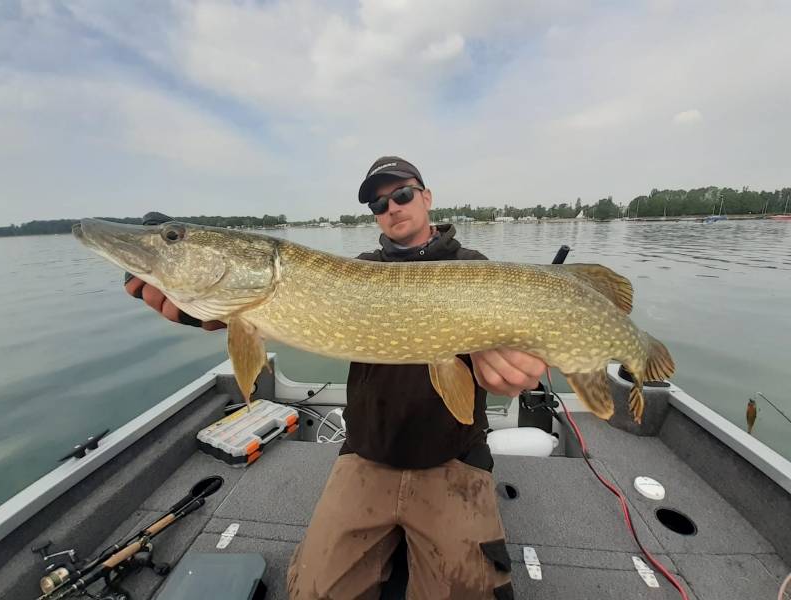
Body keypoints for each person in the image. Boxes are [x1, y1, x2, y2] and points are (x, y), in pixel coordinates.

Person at [125, 157, 547, 599]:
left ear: (426, 198)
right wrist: (205, 311)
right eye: (378, 203)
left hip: (454, 458)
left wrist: (522, 367)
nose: (392, 207)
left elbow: (525, 347)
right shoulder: (359, 268)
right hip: (367, 455)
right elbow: (245, 310)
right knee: (315, 592)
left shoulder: (473, 267)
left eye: (402, 194)